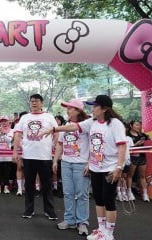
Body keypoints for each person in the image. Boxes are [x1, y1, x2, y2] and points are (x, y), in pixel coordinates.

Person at [40, 95, 126, 240]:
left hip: (109, 167)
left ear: (104, 108)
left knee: (107, 200)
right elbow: (73, 127)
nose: (92, 109)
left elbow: (122, 145)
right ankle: (100, 230)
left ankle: (108, 233)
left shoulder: (115, 123)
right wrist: (54, 129)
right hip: (95, 167)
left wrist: (119, 167)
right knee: (98, 199)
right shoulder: (92, 122)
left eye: (95, 106)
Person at [12, 93, 58, 220]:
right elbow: (17, 134)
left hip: (45, 157)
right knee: (29, 184)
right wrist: (15, 152)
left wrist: (53, 145)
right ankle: (29, 210)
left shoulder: (49, 117)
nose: (34, 103)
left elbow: (57, 131)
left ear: (41, 103)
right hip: (28, 156)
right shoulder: (25, 118)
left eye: (37, 101)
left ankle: (49, 211)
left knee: (47, 185)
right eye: (32, 101)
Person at [54, 99, 90, 236]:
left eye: (69, 108)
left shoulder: (86, 126)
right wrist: (55, 161)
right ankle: (69, 220)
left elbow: (95, 145)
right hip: (66, 163)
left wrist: (89, 163)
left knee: (82, 194)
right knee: (68, 193)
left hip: (81, 164)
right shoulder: (66, 126)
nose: (67, 111)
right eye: (67, 108)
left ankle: (82, 222)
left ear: (78, 110)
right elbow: (60, 144)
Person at [126, 120, 151, 202]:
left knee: (142, 176)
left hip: (142, 157)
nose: (138, 126)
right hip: (132, 157)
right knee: (130, 175)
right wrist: (136, 144)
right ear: (131, 125)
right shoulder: (127, 135)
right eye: (136, 125)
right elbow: (126, 148)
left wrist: (150, 137)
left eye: (139, 125)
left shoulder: (141, 134)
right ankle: (129, 192)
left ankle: (145, 194)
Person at [0, 116, 14, 194]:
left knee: (6, 171)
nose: (4, 123)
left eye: (5, 121)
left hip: (7, 155)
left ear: (9, 122)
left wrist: (3, 133)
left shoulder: (11, 131)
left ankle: (6, 187)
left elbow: (9, 140)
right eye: (2, 121)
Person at [14, 111, 28, 196]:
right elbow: (16, 138)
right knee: (19, 168)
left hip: (29, 151)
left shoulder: (29, 125)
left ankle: (23, 187)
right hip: (20, 149)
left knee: (26, 169)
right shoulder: (17, 125)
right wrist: (21, 146)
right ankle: (19, 189)